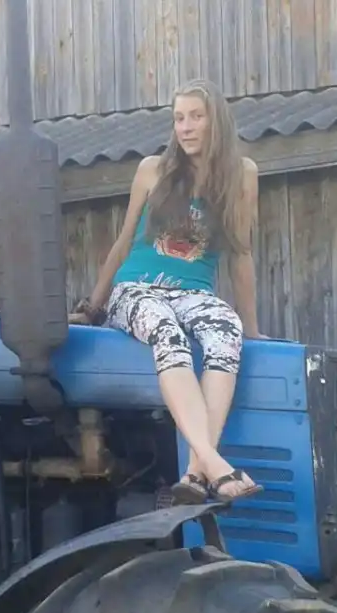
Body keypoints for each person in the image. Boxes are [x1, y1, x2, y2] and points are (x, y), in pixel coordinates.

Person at [76, 78, 265, 504]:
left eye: (196, 117)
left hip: (195, 295)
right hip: (137, 289)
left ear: (217, 121)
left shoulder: (242, 175)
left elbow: (241, 253)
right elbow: (124, 241)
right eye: (179, 118)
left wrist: (251, 328)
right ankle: (214, 464)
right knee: (166, 332)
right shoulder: (152, 169)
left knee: (226, 331)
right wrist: (93, 306)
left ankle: (194, 476)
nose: (186, 127)